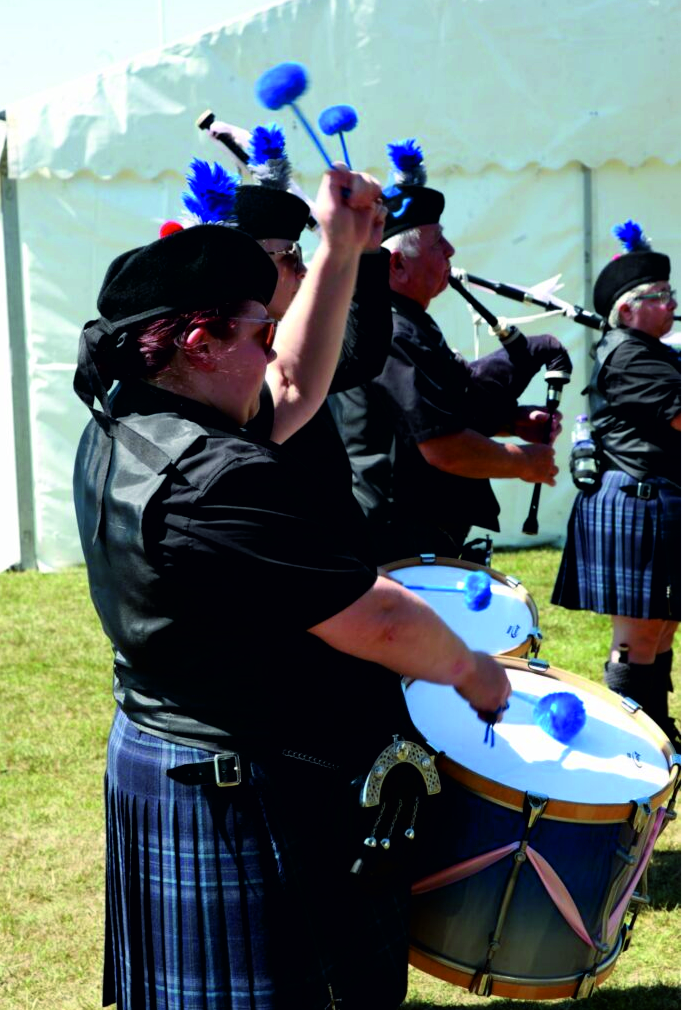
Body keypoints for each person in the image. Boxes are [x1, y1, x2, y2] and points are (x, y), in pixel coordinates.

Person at [72, 165, 511, 1010]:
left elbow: (297, 384)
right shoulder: (214, 479)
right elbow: (378, 621)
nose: (272, 342)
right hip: (237, 785)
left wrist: (345, 247)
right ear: (198, 343)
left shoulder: (135, 413)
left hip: (183, 752)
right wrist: (475, 674)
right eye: (257, 326)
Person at [332, 139, 560, 564]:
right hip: (395, 537)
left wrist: (511, 421)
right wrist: (523, 463)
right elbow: (442, 446)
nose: (451, 251)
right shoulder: (394, 330)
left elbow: (435, 409)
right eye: (439, 243)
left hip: (417, 532)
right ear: (396, 265)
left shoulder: (408, 320)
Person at [552, 221, 680, 746]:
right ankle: (635, 734)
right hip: (637, 501)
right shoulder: (629, 357)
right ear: (627, 310)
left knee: (664, 622)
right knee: (637, 634)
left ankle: (658, 725)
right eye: (659, 295)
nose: (671, 301)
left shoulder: (652, 352)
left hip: (654, 499)